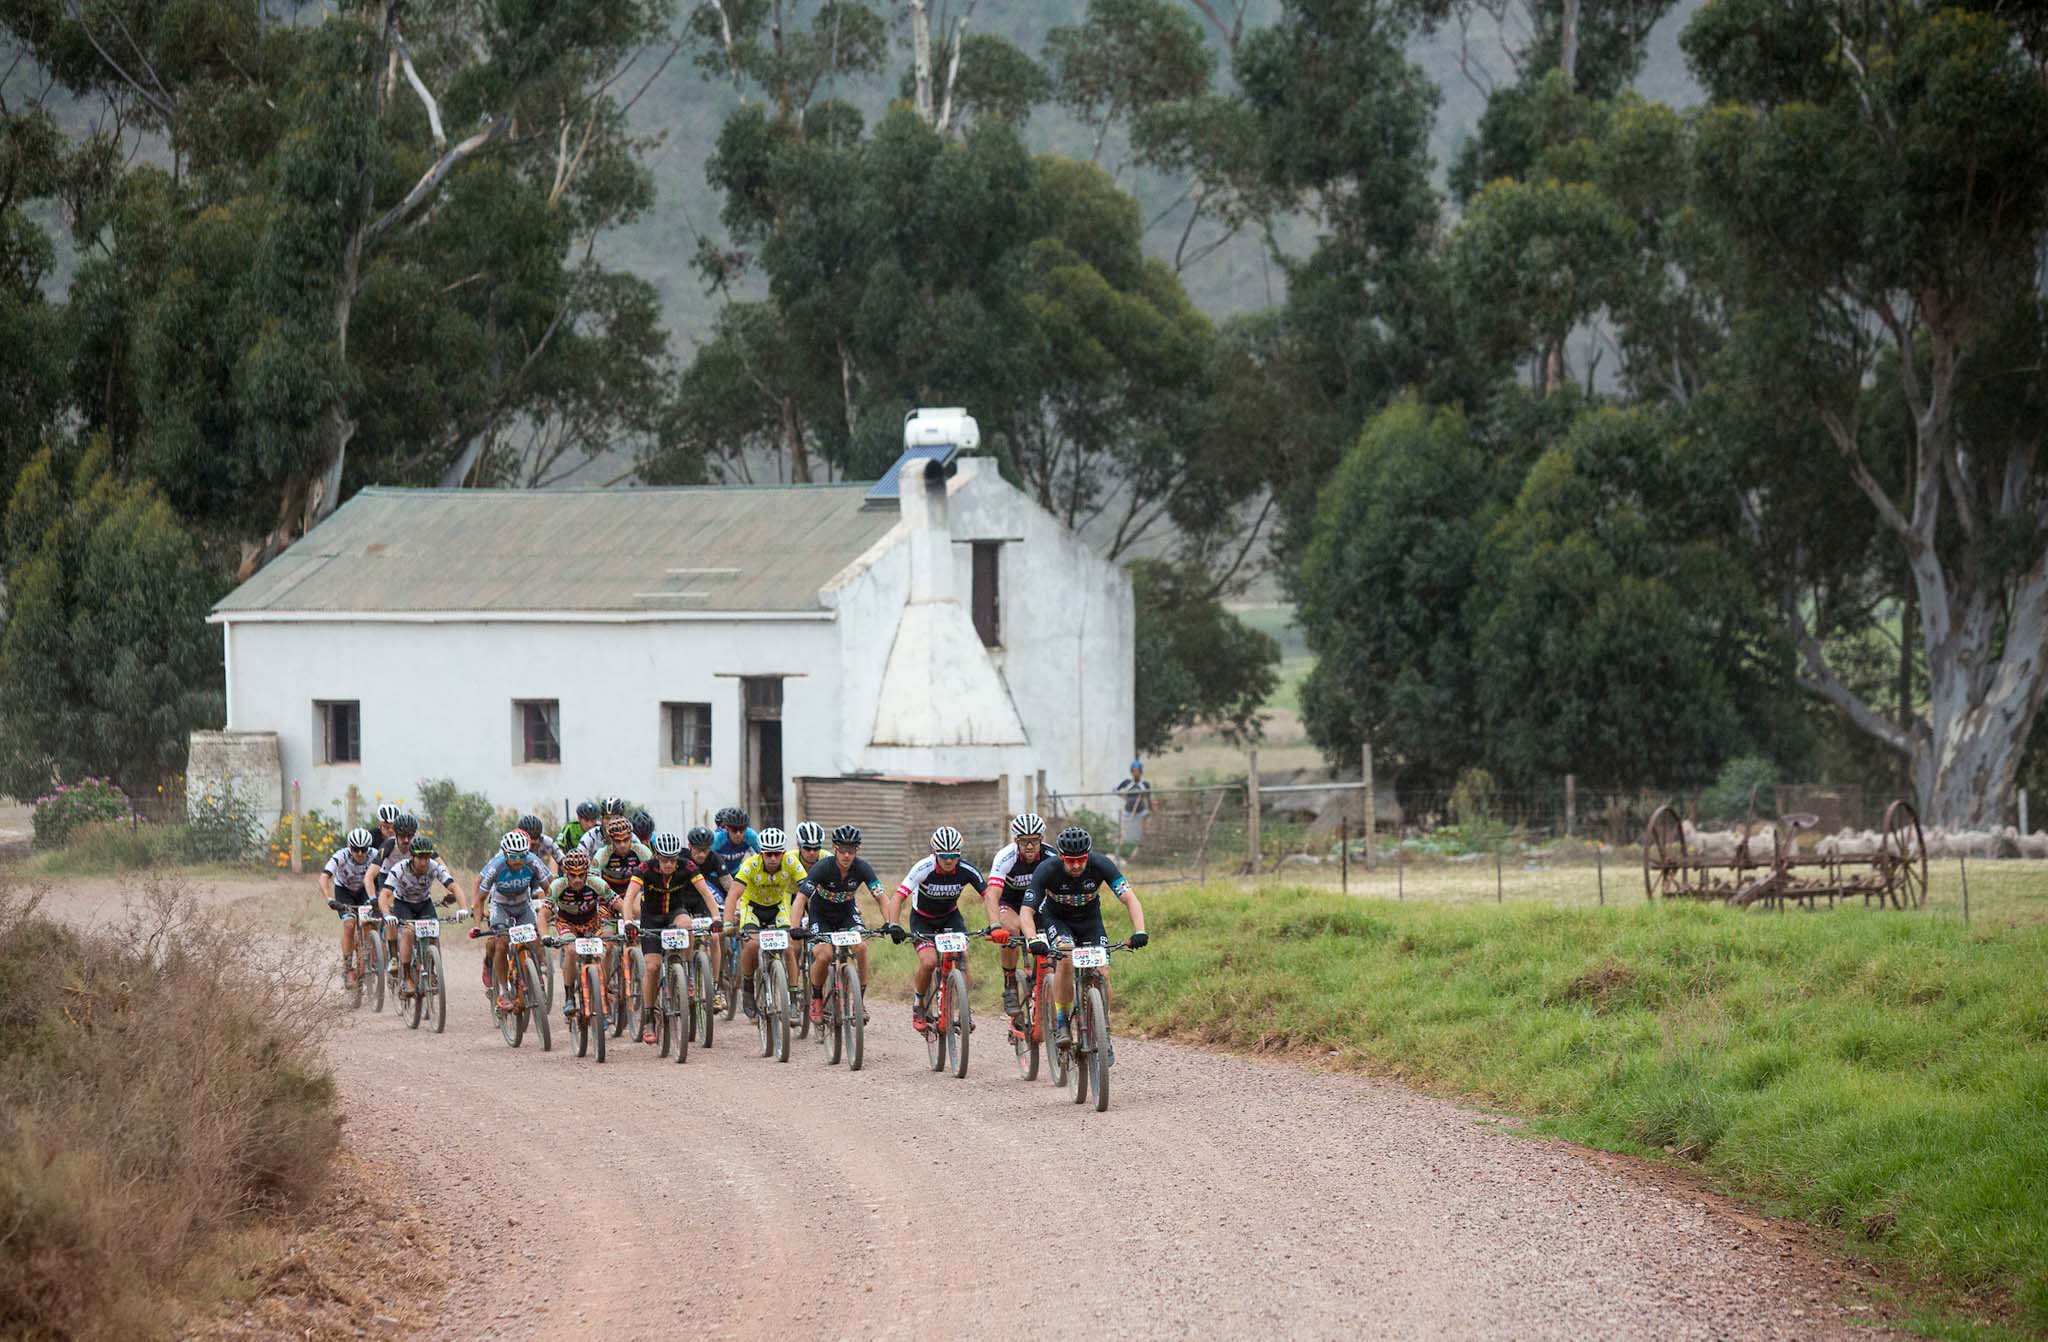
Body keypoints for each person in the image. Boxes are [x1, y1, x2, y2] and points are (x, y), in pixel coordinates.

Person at [1020, 826, 1149, 1058]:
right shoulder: (1046, 869)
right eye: (1071, 861)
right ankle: (1061, 1023)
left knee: (1103, 972)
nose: (1077, 865)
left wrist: (1140, 931)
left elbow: (1130, 899)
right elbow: (1027, 911)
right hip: (1057, 920)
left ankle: (1103, 1030)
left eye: (1081, 860)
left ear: (1088, 855)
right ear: (1061, 857)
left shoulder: (1101, 865)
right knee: (1066, 958)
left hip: (1090, 922)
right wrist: (1032, 939)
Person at [882, 826, 998, 1036]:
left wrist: (995, 924)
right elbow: (898, 896)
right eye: (943, 855)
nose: (948, 860)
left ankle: (963, 1007)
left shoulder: (967, 870)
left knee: (962, 957)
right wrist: (894, 924)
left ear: (959, 854)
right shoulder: (923, 868)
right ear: (935, 853)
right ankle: (918, 1004)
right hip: (922, 920)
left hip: (950, 917)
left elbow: (988, 895)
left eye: (953, 856)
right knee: (929, 962)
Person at [623, 832, 724, 1041]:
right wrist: (628, 922)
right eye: (664, 860)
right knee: (652, 967)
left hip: (675, 912)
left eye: (673, 860)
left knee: (686, 925)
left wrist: (716, 917)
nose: (669, 864)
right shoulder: (644, 869)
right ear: (657, 857)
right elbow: (629, 898)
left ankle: (686, 972)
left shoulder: (687, 867)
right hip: (651, 917)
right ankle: (649, 1017)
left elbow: (706, 893)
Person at [792, 823, 884, 1027]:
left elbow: (880, 896)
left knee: (861, 947)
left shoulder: (862, 867)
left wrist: (890, 923)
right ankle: (816, 997)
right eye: (842, 850)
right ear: (834, 849)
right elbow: (800, 899)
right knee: (824, 955)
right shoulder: (822, 867)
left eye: (851, 851)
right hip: (821, 915)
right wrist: (794, 926)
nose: (846, 855)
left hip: (847, 915)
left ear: (856, 851)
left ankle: (859, 1002)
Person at [724, 826, 802, 1022]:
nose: (773, 858)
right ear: (761, 853)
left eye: (777, 853)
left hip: (777, 909)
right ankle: (748, 987)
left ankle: (793, 997)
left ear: (783, 853)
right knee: (751, 944)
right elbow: (733, 895)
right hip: (753, 909)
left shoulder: (791, 863)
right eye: (769, 854)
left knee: (789, 946)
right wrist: (727, 922)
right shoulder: (750, 866)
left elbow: (808, 891)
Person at [475, 830, 553, 1011]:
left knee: (536, 939)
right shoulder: (496, 867)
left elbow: (550, 890)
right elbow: (480, 899)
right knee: (502, 942)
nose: (518, 860)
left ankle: (535, 972)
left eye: (522, 855)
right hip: (500, 906)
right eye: (513, 856)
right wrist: (477, 925)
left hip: (523, 905)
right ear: (504, 853)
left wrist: (550, 909)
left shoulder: (532, 861)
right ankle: (502, 991)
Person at [380, 839, 463, 997]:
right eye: (420, 857)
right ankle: (406, 977)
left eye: (427, 857)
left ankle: (431, 970)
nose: (424, 862)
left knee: (433, 931)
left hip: (424, 903)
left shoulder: (434, 866)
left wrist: (463, 908)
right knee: (409, 933)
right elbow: (384, 894)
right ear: (412, 856)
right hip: (403, 904)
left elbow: (454, 887)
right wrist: (386, 914)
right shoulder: (400, 868)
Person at [545, 850, 620, 1024]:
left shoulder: (597, 884)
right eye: (573, 875)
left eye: (581, 875)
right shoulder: (557, 886)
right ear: (565, 875)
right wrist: (545, 936)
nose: (578, 880)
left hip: (592, 922)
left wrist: (630, 921)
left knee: (608, 946)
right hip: (567, 923)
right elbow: (543, 915)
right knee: (571, 951)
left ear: (587, 873)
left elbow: (619, 903)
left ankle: (602, 991)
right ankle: (569, 996)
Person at [987, 812, 1048, 1016]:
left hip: (1037, 904)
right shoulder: (1005, 857)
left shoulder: (1051, 856)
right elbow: (992, 894)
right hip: (1010, 903)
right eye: (1024, 841)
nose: (1029, 846)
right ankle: (1010, 983)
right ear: (1016, 841)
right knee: (1011, 929)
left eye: (1034, 841)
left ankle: (1045, 981)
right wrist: (995, 926)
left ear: (1041, 839)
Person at [321, 826, 379, 981]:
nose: (360, 853)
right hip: (344, 891)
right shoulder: (341, 856)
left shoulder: (375, 855)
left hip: (364, 890)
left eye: (363, 849)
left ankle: (372, 952)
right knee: (349, 924)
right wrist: (329, 899)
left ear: (369, 848)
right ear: (349, 847)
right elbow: (324, 878)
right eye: (355, 849)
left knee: (370, 923)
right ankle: (347, 967)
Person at [1114, 760, 1151, 858]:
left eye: (1138, 771)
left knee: (1141, 836)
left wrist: (1151, 811)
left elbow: (1148, 798)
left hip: (1141, 813)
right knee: (1124, 835)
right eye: (1134, 771)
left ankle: (1137, 856)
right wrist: (1124, 797)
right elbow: (1115, 790)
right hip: (1128, 813)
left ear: (1141, 772)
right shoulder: (1127, 783)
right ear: (1131, 771)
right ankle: (1118, 855)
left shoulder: (1145, 785)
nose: (1136, 773)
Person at [711, 807, 759, 871]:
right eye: (734, 830)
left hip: (735, 871)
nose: (738, 834)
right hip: (716, 873)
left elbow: (763, 855)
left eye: (742, 829)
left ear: (746, 829)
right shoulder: (717, 839)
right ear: (727, 829)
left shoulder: (750, 835)